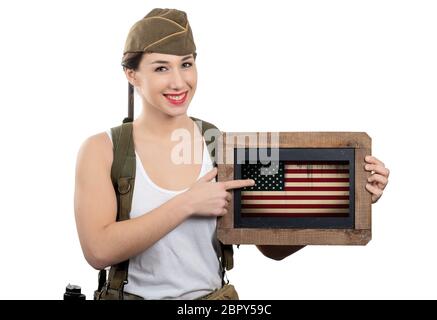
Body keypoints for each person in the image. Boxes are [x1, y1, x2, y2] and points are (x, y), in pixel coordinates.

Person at [74, 8, 390, 300]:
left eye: (186, 63)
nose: (178, 81)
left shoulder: (225, 146)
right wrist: (188, 203)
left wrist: (349, 198)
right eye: (161, 68)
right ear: (132, 75)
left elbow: (272, 248)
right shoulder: (102, 150)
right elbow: (98, 250)